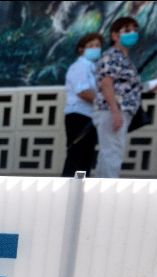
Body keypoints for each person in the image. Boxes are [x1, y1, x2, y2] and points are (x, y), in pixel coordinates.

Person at [92, 17, 142, 178]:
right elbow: (106, 83)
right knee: (112, 153)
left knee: (109, 152)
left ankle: (99, 193)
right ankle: (108, 194)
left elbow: (125, 86)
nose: (132, 34)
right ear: (114, 36)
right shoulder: (112, 55)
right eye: (127, 31)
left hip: (120, 110)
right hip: (112, 110)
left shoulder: (124, 58)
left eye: (135, 30)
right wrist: (115, 112)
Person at [62, 33, 103, 177]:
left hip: (90, 116)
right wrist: (105, 102)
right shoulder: (80, 67)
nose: (95, 48)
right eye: (91, 46)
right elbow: (83, 92)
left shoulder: (93, 68)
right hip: (78, 116)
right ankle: (68, 193)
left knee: (86, 158)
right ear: (81, 49)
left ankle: (79, 193)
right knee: (76, 157)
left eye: (98, 46)